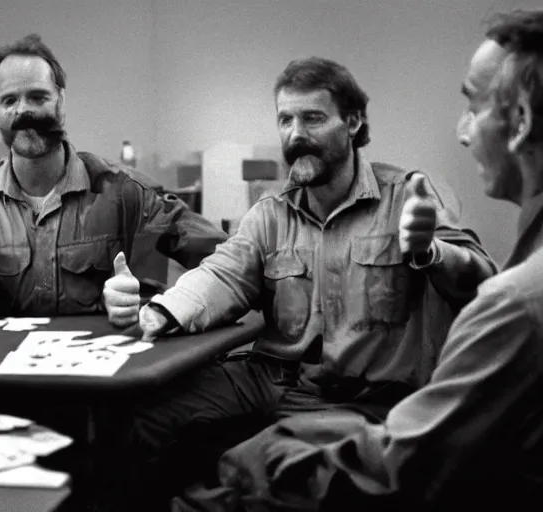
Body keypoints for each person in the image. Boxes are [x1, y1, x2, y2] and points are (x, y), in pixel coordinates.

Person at [172, 9, 543, 511]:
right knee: (149, 416)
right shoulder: (271, 212)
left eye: (312, 118)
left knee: (240, 473)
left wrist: (430, 252)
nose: (295, 133)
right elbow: (220, 274)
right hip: (273, 380)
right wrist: (161, 310)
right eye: (285, 119)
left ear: (353, 122)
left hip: (367, 395)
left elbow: (481, 279)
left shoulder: (407, 195)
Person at [0, 34, 228, 322]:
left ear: (61, 102)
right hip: (6, 381)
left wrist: (161, 303)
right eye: (9, 101)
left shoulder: (125, 193)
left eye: (38, 97)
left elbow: (226, 259)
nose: (25, 111)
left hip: (104, 378)